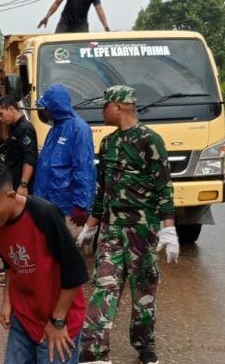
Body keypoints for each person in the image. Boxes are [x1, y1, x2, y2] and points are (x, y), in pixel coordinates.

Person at [76, 86, 179, 364]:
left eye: (105, 105)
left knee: (143, 289)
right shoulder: (107, 143)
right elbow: (102, 190)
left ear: (119, 106)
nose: (101, 110)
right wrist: (90, 226)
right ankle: (94, 352)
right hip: (111, 229)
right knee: (103, 285)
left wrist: (168, 229)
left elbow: (164, 188)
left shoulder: (150, 140)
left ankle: (145, 344)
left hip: (143, 230)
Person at [0, 160, 88, 364]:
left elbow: (75, 273)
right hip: (24, 317)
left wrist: (57, 321)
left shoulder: (44, 215)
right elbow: (10, 264)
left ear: (11, 196)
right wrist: (7, 302)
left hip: (59, 318)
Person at [33, 84, 96, 237]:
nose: (43, 111)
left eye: (44, 107)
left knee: (69, 254)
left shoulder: (79, 129)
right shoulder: (54, 130)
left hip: (68, 209)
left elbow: (84, 168)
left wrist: (81, 205)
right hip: (46, 205)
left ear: (53, 107)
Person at [0, 95, 38, 284]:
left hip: (19, 189)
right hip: (11, 187)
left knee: (18, 229)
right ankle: (8, 266)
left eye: (0, 114)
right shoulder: (14, 128)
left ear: (12, 109)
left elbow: (29, 160)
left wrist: (23, 185)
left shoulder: (25, 129)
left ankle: (17, 270)